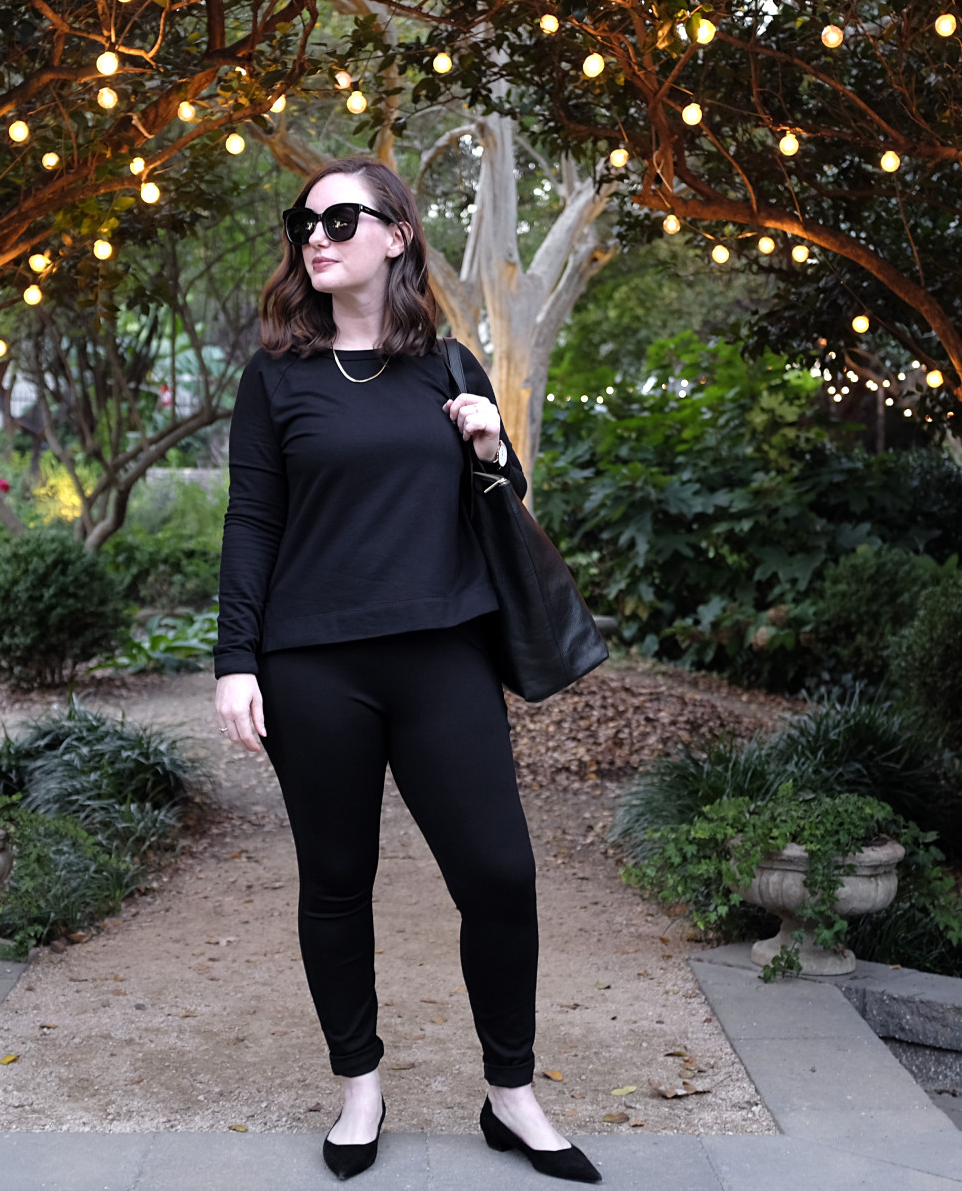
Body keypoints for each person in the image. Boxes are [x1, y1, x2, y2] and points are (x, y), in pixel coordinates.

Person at [213, 157, 600, 1185]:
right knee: (337, 882)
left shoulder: (449, 365)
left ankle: (511, 1091)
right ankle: (360, 1084)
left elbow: (500, 494)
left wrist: (490, 439)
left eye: (342, 216)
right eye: (305, 220)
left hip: (442, 653)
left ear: (397, 235)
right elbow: (251, 524)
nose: (316, 233)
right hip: (312, 665)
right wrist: (234, 661)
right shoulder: (278, 376)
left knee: (500, 873)